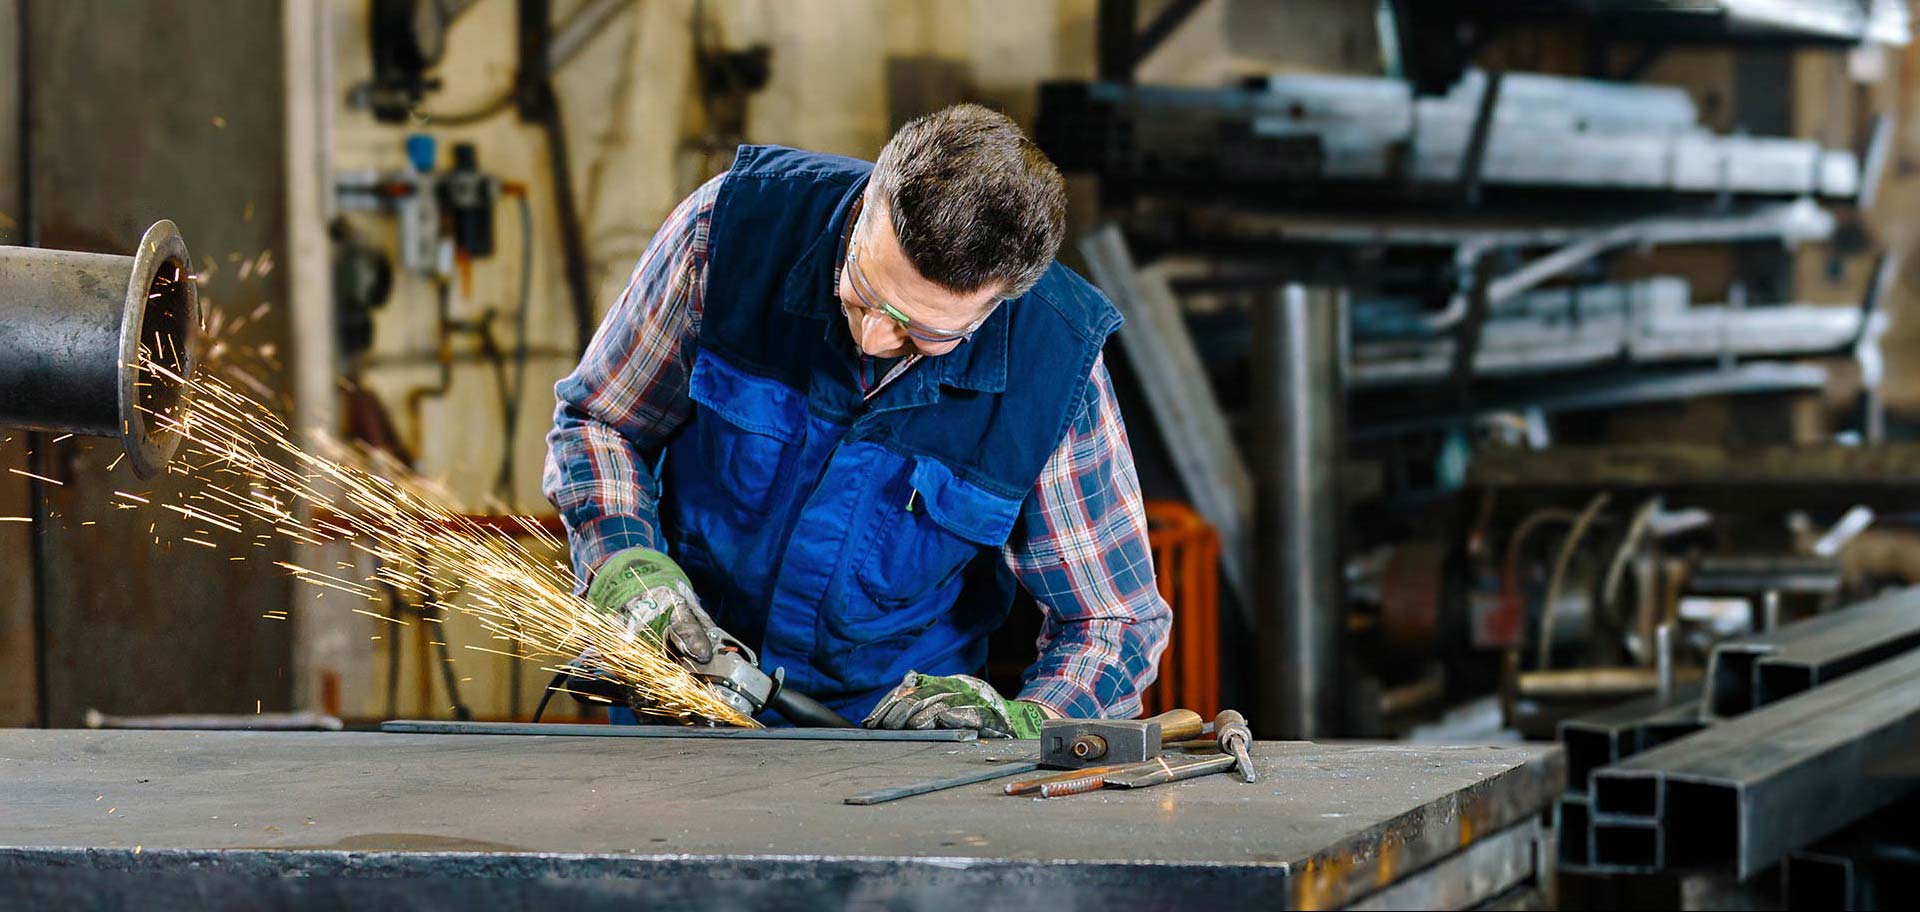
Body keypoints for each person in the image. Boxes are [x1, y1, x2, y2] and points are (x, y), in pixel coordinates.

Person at [543, 103, 1170, 737]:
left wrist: (1025, 723)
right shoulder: (727, 233)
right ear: (870, 198)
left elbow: (1111, 624)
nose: (871, 336)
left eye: (919, 331)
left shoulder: (1053, 365)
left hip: (892, 745)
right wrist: (628, 569)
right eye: (863, 288)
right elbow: (601, 422)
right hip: (681, 697)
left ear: (997, 304)